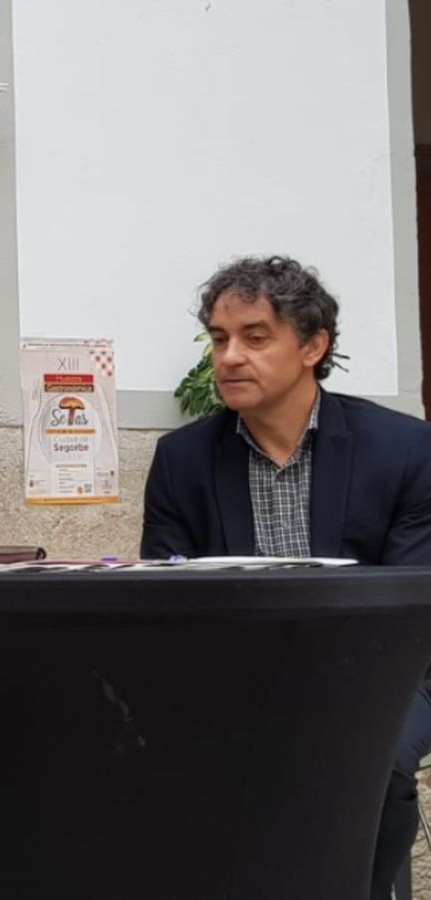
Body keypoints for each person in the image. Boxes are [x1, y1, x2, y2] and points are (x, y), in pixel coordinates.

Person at [142, 254, 431, 900]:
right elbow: (163, 599)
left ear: (313, 346)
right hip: (236, 674)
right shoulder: (183, 461)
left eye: (255, 336)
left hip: (384, 671)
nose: (230, 357)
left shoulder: (404, 449)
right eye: (219, 339)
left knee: (372, 762)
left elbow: (412, 600)